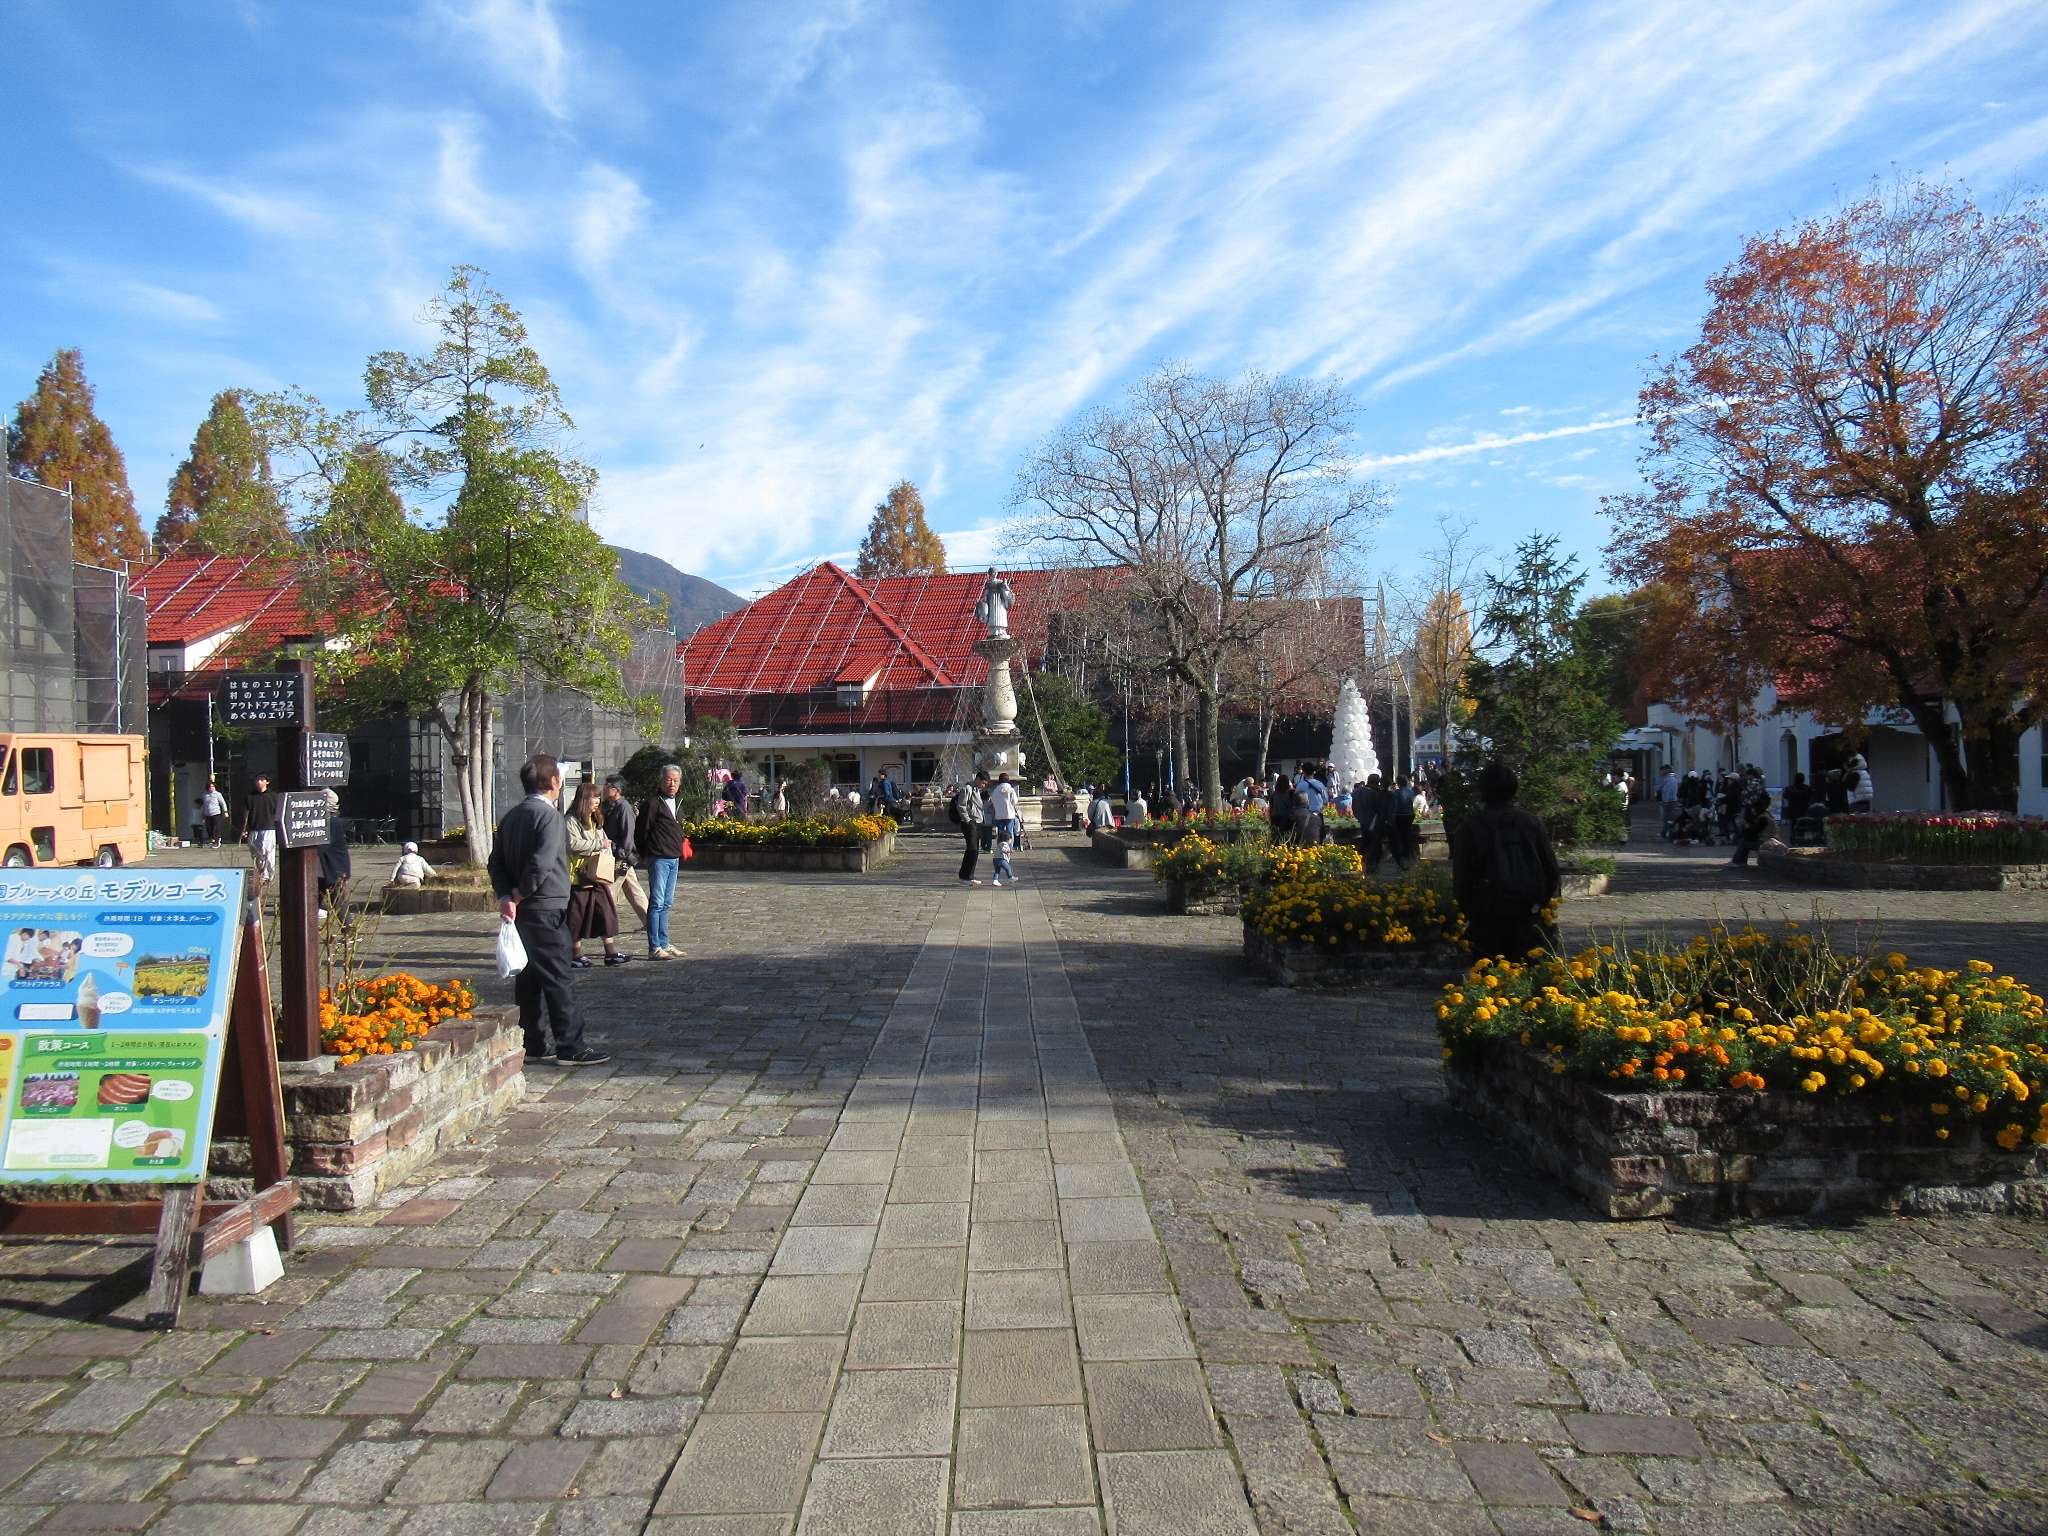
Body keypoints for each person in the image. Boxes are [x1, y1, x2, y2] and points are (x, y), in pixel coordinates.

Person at [487, 753, 607, 1066]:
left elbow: (495, 862)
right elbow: (541, 863)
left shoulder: (511, 817)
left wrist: (506, 895)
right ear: (554, 782)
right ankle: (571, 1045)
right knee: (558, 976)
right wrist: (519, 893)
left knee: (529, 979)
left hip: (523, 910)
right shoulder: (549, 817)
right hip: (544, 905)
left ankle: (534, 1041)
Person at [1451, 760, 1562, 963]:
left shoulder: (1471, 827)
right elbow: (1551, 871)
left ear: (1482, 790)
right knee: (1529, 976)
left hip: (1487, 914)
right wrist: (1539, 903)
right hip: (1527, 912)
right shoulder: (1530, 822)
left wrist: (1470, 911)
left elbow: (1462, 878)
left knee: (1489, 976)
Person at [564, 780, 630, 968]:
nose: (597, 801)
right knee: (576, 919)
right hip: (578, 877)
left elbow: (604, 840)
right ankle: (575, 955)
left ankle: (610, 952)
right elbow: (572, 845)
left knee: (605, 913)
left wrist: (606, 848)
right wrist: (598, 845)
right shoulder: (571, 821)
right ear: (584, 799)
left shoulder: (596, 820)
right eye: (594, 797)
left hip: (597, 876)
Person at [636, 763, 685, 960]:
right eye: (668, 779)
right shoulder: (653, 804)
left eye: (675, 780)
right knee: (656, 902)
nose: (672, 783)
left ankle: (664, 942)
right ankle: (654, 946)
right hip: (658, 858)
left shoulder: (678, 803)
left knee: (666, 903)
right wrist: (645, 853)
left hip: (674, 857)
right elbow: (641, 831)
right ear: (661, 781)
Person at [600, 776, 650, 932]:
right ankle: (651, 922)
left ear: (616, 790)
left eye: (608, 786)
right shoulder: (608, 806)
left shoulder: (624, 807)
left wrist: (624, 854)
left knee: (609, 893)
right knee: (633, 890)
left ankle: (604, 926)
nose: (604, 788)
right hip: (615, 855)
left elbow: (628, 835)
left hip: (621, 857)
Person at [316, 789, 351, 915]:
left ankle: (350, 933)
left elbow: (322, 846)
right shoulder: (324, 821)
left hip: (334, 870)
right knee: (310, 905)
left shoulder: (332, 822)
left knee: (339, 904)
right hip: (321, 871)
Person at [241, 774, 279, 883]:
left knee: (267, 852)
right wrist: (244, 829)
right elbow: (246, 814)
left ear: (267, 782)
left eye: (262, 780)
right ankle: (260, 873)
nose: (259, 782)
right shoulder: (250, 797)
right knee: (256, 854)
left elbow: (278, 813)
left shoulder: (273, 796)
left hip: (268, 828)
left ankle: (268, 876)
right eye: (257, 780)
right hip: (254, 828)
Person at [952, 776, 987, 884]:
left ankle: (969, 875)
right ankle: (964, 876)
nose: (984, 786)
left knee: (975, 850)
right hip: (970, 823)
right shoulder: (967, 789)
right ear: (978, 779)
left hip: (977, 822)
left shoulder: (976, 790)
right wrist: (967, 820)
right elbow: (961, 805)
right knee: (972, 849)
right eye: (983, 783)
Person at [1291, 762, 1327, 846]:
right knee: (1319, 838)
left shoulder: (1300, 785)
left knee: (1303, 838)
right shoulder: (1320, 784)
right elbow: (1325, 800)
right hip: (1318, 814)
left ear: (1303, 771)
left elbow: (1296, 800)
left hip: (1303, 815)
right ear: (1314, 772)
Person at [987, 772, 1021, 849]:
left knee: (1000, 832)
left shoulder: (995, 790)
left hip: (999, 814)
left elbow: (993, 801)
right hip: (1009, 814)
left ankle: (1000, 847)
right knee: (1010, 831)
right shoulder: (1011, 790)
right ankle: (1010, 847)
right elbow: (1015, 802)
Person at [200, 780, 228, 847]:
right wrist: (203, 815)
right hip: (207, 814)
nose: (212, 788)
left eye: (213, 786)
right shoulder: (205, 795)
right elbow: (203, 805)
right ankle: (212, 839)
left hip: (216, 813)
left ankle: (217, 841)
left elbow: (223, 803)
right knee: (209, 828)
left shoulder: (218, 794)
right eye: (210, 787)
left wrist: (225, 811)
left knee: (217, 828)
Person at [1656, 766, 1680, 841]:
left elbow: (1667, 791)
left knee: (1668, 818)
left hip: (1669, 802)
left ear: (1666, 771)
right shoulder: (1670, 779)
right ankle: (1666, 832)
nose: (1660, 773)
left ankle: (1668, 833)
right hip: (1671, 801)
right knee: (1669, 818)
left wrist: (1665, 801)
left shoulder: (1668, 780)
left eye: (1661, 771)